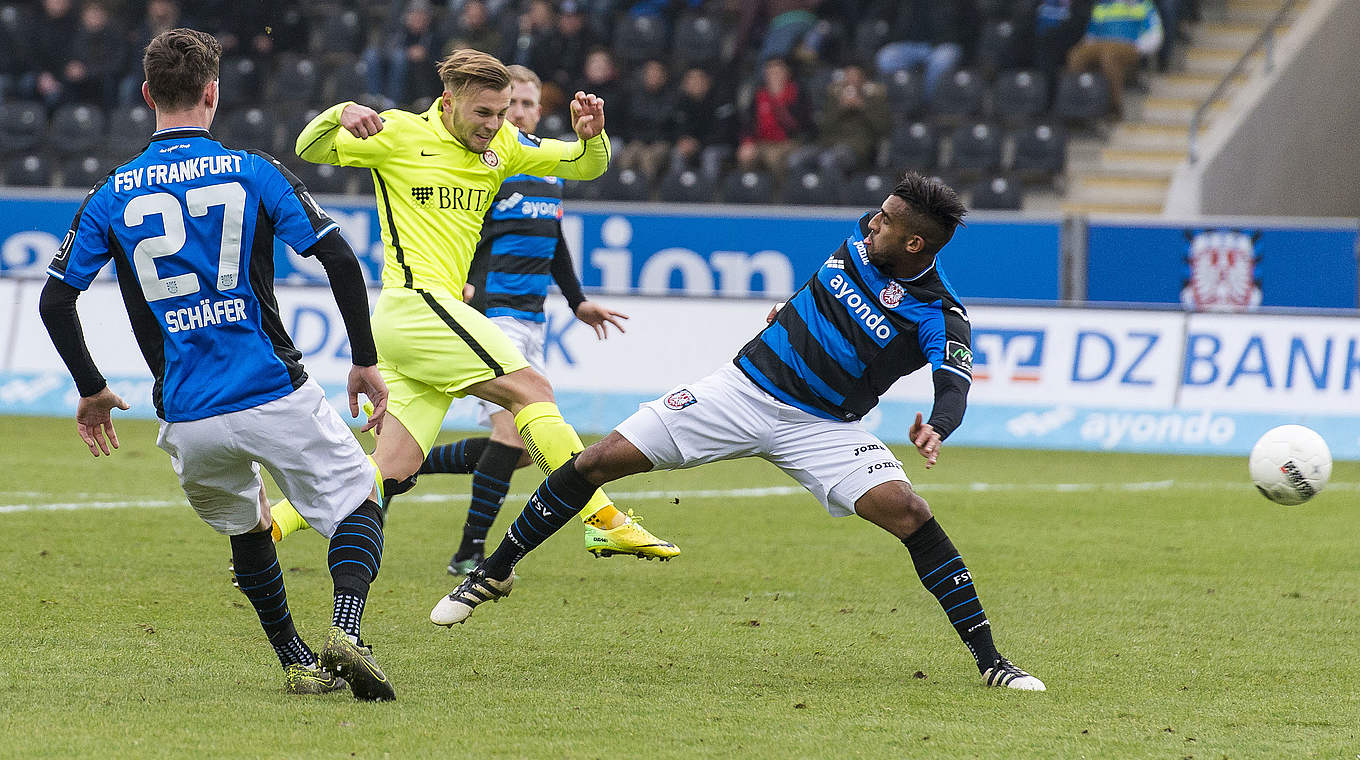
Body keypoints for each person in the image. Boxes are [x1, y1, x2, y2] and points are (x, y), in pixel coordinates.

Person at [433, 172, 1047, 692]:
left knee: (909, 511)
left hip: (823, 428)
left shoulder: (940, 313)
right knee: (599, 459)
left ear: (915, 243)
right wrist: (792, 311)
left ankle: (993, 663)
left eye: (885, 223)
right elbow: (827, 283)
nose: (869, 226)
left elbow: (955, 384)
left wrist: (938, 427)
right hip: (741, 390)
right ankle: (490, 572)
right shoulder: (863, 240)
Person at [38, 28, 396, 701]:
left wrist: (91, 388)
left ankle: (294, 662)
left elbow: (56, 300)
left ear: (146, 95)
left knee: (246, 526)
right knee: (359, 500)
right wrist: (363, 361)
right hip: (271, 390)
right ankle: (345, 629)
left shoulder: (112, 193)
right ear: (212, 93)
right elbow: (340, 258)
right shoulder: (253, 170)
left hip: (189, 413)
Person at [286, 49, 678, 560]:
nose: (496, 125)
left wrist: (592, 134)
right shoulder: (399, 134)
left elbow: (585, 166)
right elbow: (308, 147)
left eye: (503, 111)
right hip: (415, 304)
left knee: (386, 473)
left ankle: (267, 528)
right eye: (484, 113)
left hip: (427, 319)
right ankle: (601, 517)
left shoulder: (506, 146)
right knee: (532, 388)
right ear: (448, 102)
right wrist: (341, 111)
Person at [1066, 0, 1163, 116]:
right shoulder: (1102, 5)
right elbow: (1090, 34)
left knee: (1109, 55)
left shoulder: (1142, 4)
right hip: (1100, 44)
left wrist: (1139, 48)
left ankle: (1113, 108)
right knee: (1076, 54)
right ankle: (1076, 105)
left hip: (1128, 46)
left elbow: (1155, 34)